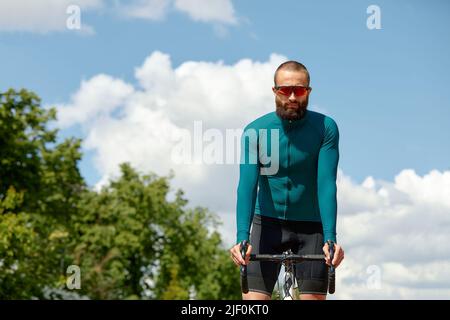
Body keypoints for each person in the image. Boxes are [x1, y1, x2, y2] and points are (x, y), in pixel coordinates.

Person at [229, 61, 345, 300]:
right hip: (267, 225)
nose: (292, 96)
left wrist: (331, 238)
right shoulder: (256, 131)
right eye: (285, 90)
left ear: (309, 92)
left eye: (299, 90)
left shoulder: (325, 128)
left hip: (311, 228)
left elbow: (326, 184)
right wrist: (242, 237)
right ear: (274, 91)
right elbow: (247, 187)